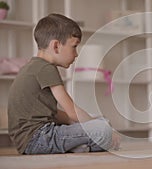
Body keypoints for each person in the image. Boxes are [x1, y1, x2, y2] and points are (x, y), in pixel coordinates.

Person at [8, 13, 120, 154]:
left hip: (30, 141)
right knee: (103, 129)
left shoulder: (33, 67)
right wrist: (102, 127)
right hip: (40, 138)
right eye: (74, 47)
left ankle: (77, 146)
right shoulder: (46, 68)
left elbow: (59, 115)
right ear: (56, 46)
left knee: (99, 121)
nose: (76, 54)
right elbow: (72, 111)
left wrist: (94, 122)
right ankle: (86, 143)